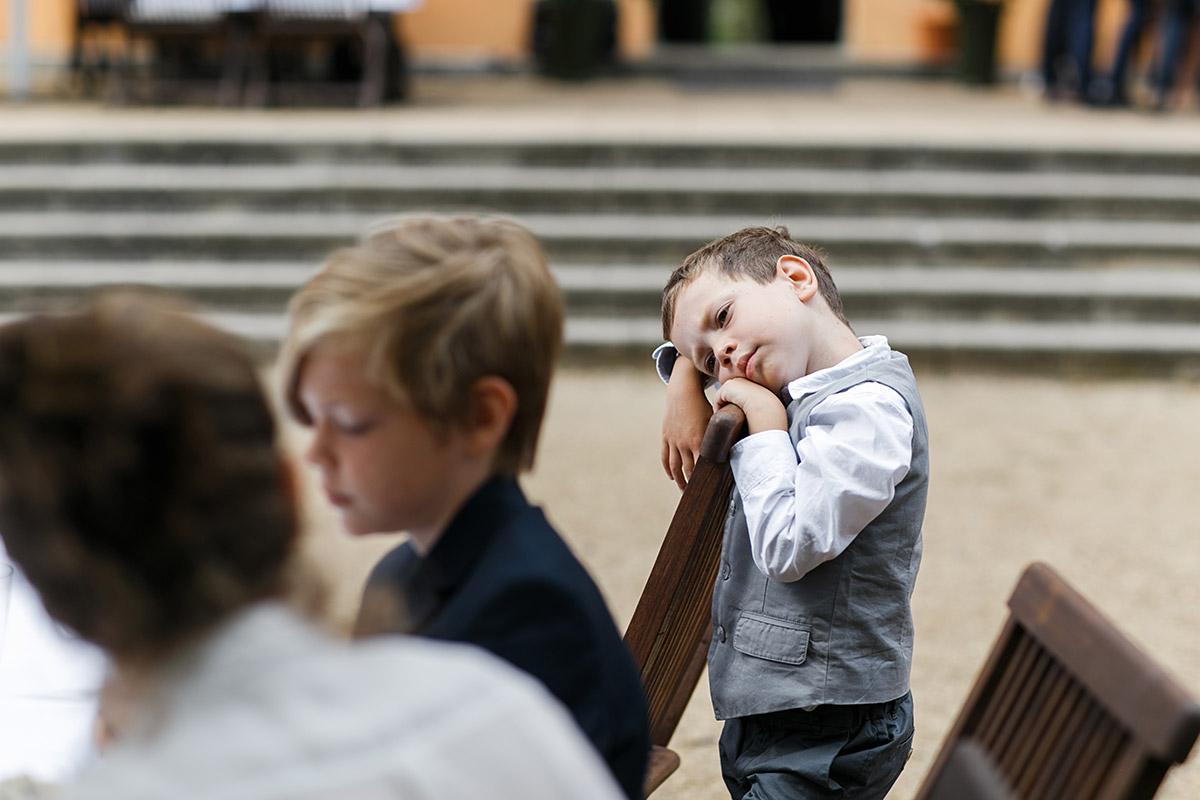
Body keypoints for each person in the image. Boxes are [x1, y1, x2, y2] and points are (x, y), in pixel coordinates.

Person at [0, 293, 626, 800]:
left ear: (39, 579)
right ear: (286, 492)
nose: (320, 451)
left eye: (349, 424)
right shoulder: (498, 711)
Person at [280, 214, 652, 800]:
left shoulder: (526, 611)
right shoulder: (409, 570)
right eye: (310, 418)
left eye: (350, 424)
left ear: (480, 417)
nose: (316, 454)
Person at [655, 226, 928, 800]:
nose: (721, 358)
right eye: (706, 357)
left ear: (797, 278)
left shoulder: (870, 412)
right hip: (781, 712)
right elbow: (715, 342)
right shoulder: (799, 381)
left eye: (723, 317)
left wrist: (764, 426)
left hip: (831, 726)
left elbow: (789, 547)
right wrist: (684, 375)